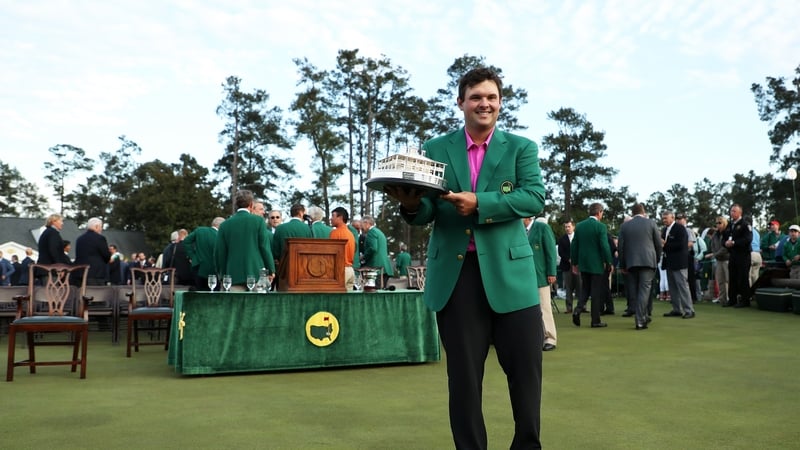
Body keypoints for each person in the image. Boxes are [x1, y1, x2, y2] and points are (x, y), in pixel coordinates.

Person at [385, 67, 545, 448]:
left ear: (501, 103)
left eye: (491, 97)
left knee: (525, 376)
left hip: (513, 278)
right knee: (464, 381)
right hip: (457, 280)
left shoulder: (522, 148)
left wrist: (480, 203)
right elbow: (427, 212)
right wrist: (410, 207)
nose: (483, 103)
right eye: (475, 97)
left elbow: (533, 198)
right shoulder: (436, 148)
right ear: (461, 103)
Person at [215, 190, 275, 290]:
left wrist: (222, 274)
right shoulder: (258, 221)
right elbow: (264, 247)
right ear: (251, 204)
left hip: (232, 276)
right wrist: (271, 269)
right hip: (256, 274)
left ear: (236, 205)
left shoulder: (225, 225)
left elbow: (219, 252)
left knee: (234, 305)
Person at [618, 203, 662, 330]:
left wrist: (622, 264)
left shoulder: (625, 226)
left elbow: (620, 247)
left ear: (632, 213)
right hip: (648, 261)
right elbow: (658, 244)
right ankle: (641, 319)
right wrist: (657, 259)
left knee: (635, 290)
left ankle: (642, 316)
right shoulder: (651, 223)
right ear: (644, 212)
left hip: (631, 262)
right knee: (644, 290)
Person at [571, 202, 613, 328]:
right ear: (599, 212)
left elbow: (574, 245)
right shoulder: (600, 227)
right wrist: (608, 261)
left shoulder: (579, 226)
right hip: (596, 264)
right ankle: (595, 320)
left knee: (585, 289)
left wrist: (574, 262)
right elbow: (604, 246)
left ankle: (578, 309)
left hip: (583, 263)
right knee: (595, 292)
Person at [526, 217, 558, 351]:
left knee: (544, 307)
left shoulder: (542, 228)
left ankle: (550, 337)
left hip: (540, 275)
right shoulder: (519, 230)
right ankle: (533, 337)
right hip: (523, 276)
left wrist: (551, 272)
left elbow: (550, 251)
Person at [661, 210, 695, 318]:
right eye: (663, 218)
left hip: (679, 262)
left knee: (682, 286)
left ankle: (689, 310)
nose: (664, 220)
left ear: (672, 218)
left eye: (666, 218)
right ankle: (676, 309)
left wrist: (665, 245)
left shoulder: (680, 229)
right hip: (669, 262)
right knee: (672, 287)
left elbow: (681, 245)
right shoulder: (664, 230)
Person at [723, 204, 753, 308]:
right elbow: (724, 238)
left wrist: (734, 243)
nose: (732, 213)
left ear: (740, 213)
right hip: (733, 255)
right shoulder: (730, 225)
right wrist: (725, 243)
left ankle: (745, 300)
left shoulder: (745, 225)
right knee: (732, 277)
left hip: (743, 255)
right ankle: (732, 299)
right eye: (731, 211)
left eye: (734, 211)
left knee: (743, 278)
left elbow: (748, 239)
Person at [184, 217, 224, 291]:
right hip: (213, 271)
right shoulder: (220, 237)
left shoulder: (200, 230)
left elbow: (186, 241)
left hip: (198, 267)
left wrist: (192, 256)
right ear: (221, 226)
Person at [74, 217, 112, 285]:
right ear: (96, 226)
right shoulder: (100, 238)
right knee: (96, 294)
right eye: (101, 227)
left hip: (80, 273)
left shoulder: (79, 239)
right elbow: (106, 255)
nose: (101, 229)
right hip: (96, 274)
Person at [361, 215, 394, 288]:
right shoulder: (379, 232)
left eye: (361, 224)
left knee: (375, 293)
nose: (361, 228)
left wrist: (363, 257)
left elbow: (373, 248)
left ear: (367, 223)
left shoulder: (371, 232)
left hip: (376, 268)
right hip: (384, 267)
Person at [329, 207, 356, 291]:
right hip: (350, 270)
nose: (331, 218)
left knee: (335, 300)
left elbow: (330, 253)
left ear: (340, 217)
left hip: (340, 270)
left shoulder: (335, 233)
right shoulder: (350, 234)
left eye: (333, 216)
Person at [557, 219, 581, 314]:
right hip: (566, 267)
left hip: (578, 266)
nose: (567, 228)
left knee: (580, 286)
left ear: (573, 227)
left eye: (569, 226)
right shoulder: (562, 239)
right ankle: (569, 307)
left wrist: (576, 260)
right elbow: (560, 252)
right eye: (565, 227)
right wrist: (568, 259)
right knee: (568, 288)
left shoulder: (579, 237)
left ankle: (581, 306)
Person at [706, 217, 730, 305]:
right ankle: (722, 299)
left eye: (720, 223)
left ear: (724, 223)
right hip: (719, 260)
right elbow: (712, 245)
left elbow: (726, 247)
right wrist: (715, 254)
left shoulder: (727, 233)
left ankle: (731, 298)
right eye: (717, 223)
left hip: (727, 259)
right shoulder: (715, 235)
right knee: (720, 281)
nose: (718, 225)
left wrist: (715, 254)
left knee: (729, 280)